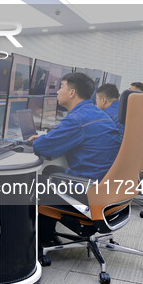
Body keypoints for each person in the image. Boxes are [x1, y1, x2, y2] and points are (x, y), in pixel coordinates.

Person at [28, 73, 122, 247]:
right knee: (50, 172)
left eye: (61, 87)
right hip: (109, 187)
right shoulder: (96, 112)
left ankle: (37, 242)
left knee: (31, 182)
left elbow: (42, 148)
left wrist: (42, 139)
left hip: (90, 189)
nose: (57, 91)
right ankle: (47, 235)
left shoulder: (77, 119)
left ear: (71, 93)